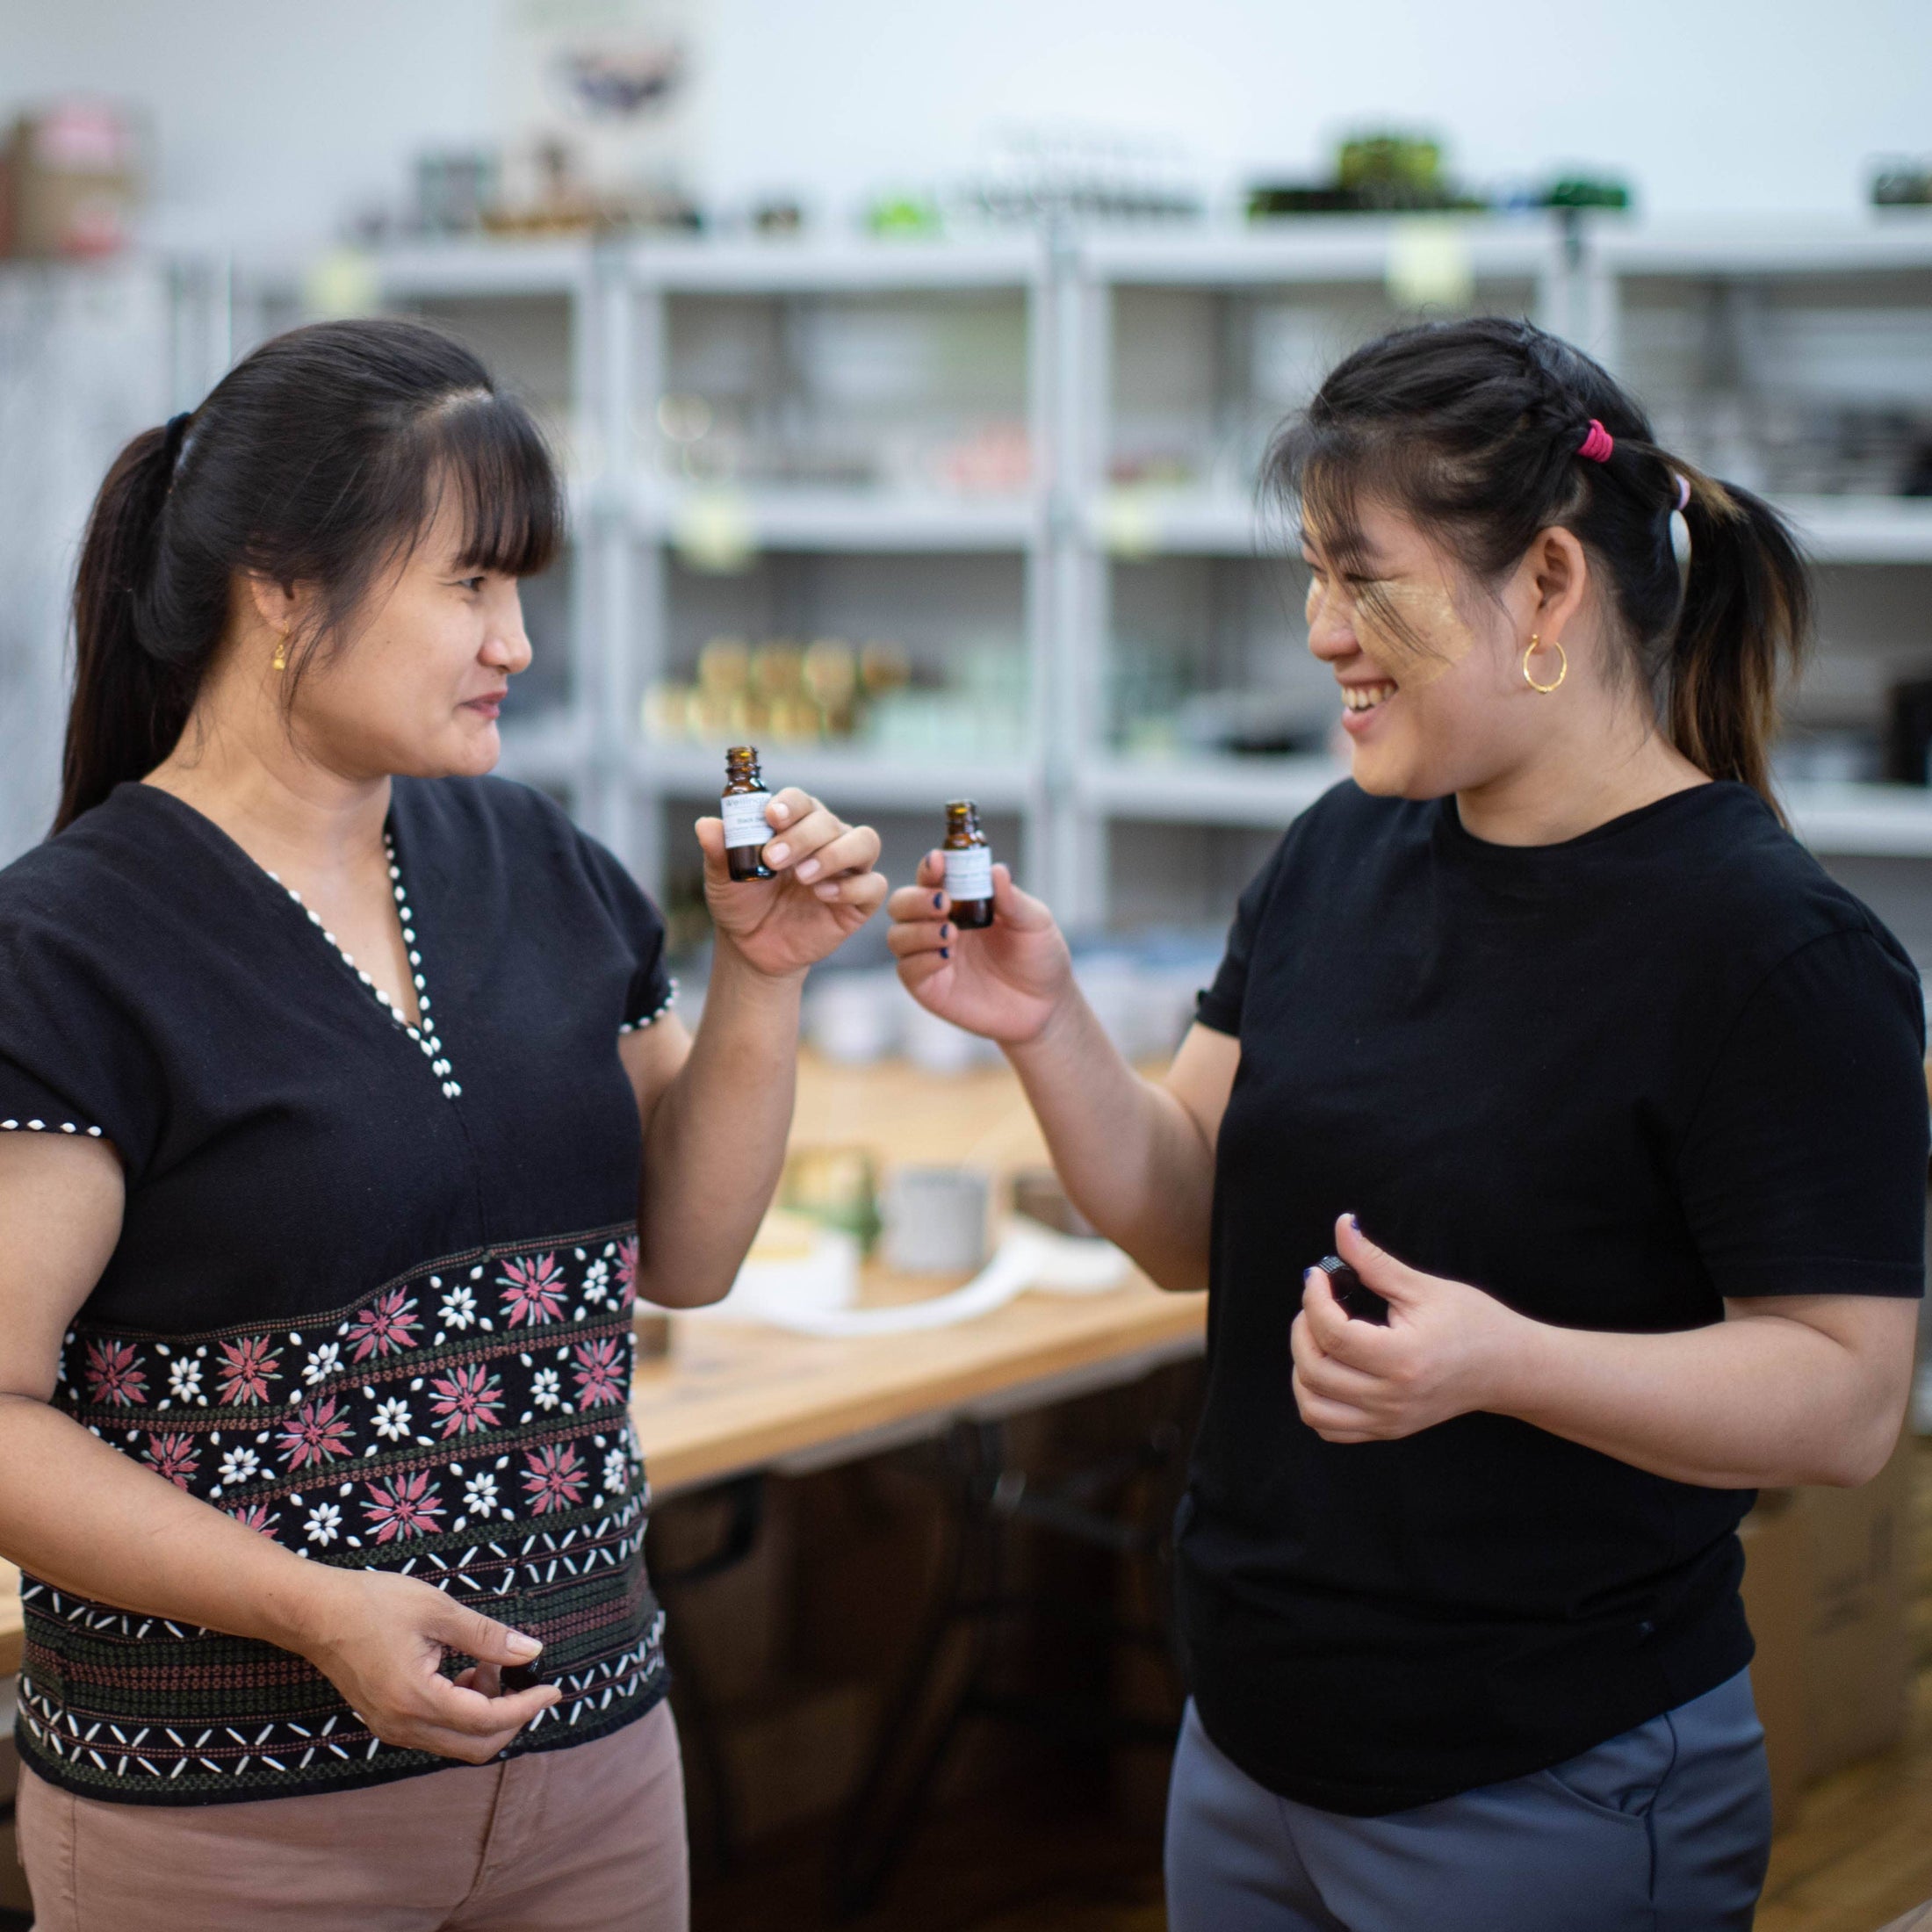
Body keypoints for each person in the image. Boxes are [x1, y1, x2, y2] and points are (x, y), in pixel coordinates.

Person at [887, 317, 1927, 1932]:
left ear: (1550, 592)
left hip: (1553, 1781)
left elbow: (1848, 1401)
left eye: (1361, 579)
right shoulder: (1337, 853)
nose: (1318, 633)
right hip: (1248, 1746)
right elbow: (1187, 1225)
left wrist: (1505, 1361)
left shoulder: (1772, 953)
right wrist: (1049, 1026)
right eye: (1312, 575)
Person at [0, 317, 885, 1932]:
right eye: (471, 585)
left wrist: (761, 985)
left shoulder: (532, 862)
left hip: (595, 1763)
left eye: (519, 589)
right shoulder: (71, 946)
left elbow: (686, 1255)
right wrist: (309, 1608)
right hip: (236, 1826)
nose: (518, 644)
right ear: (280, 584)